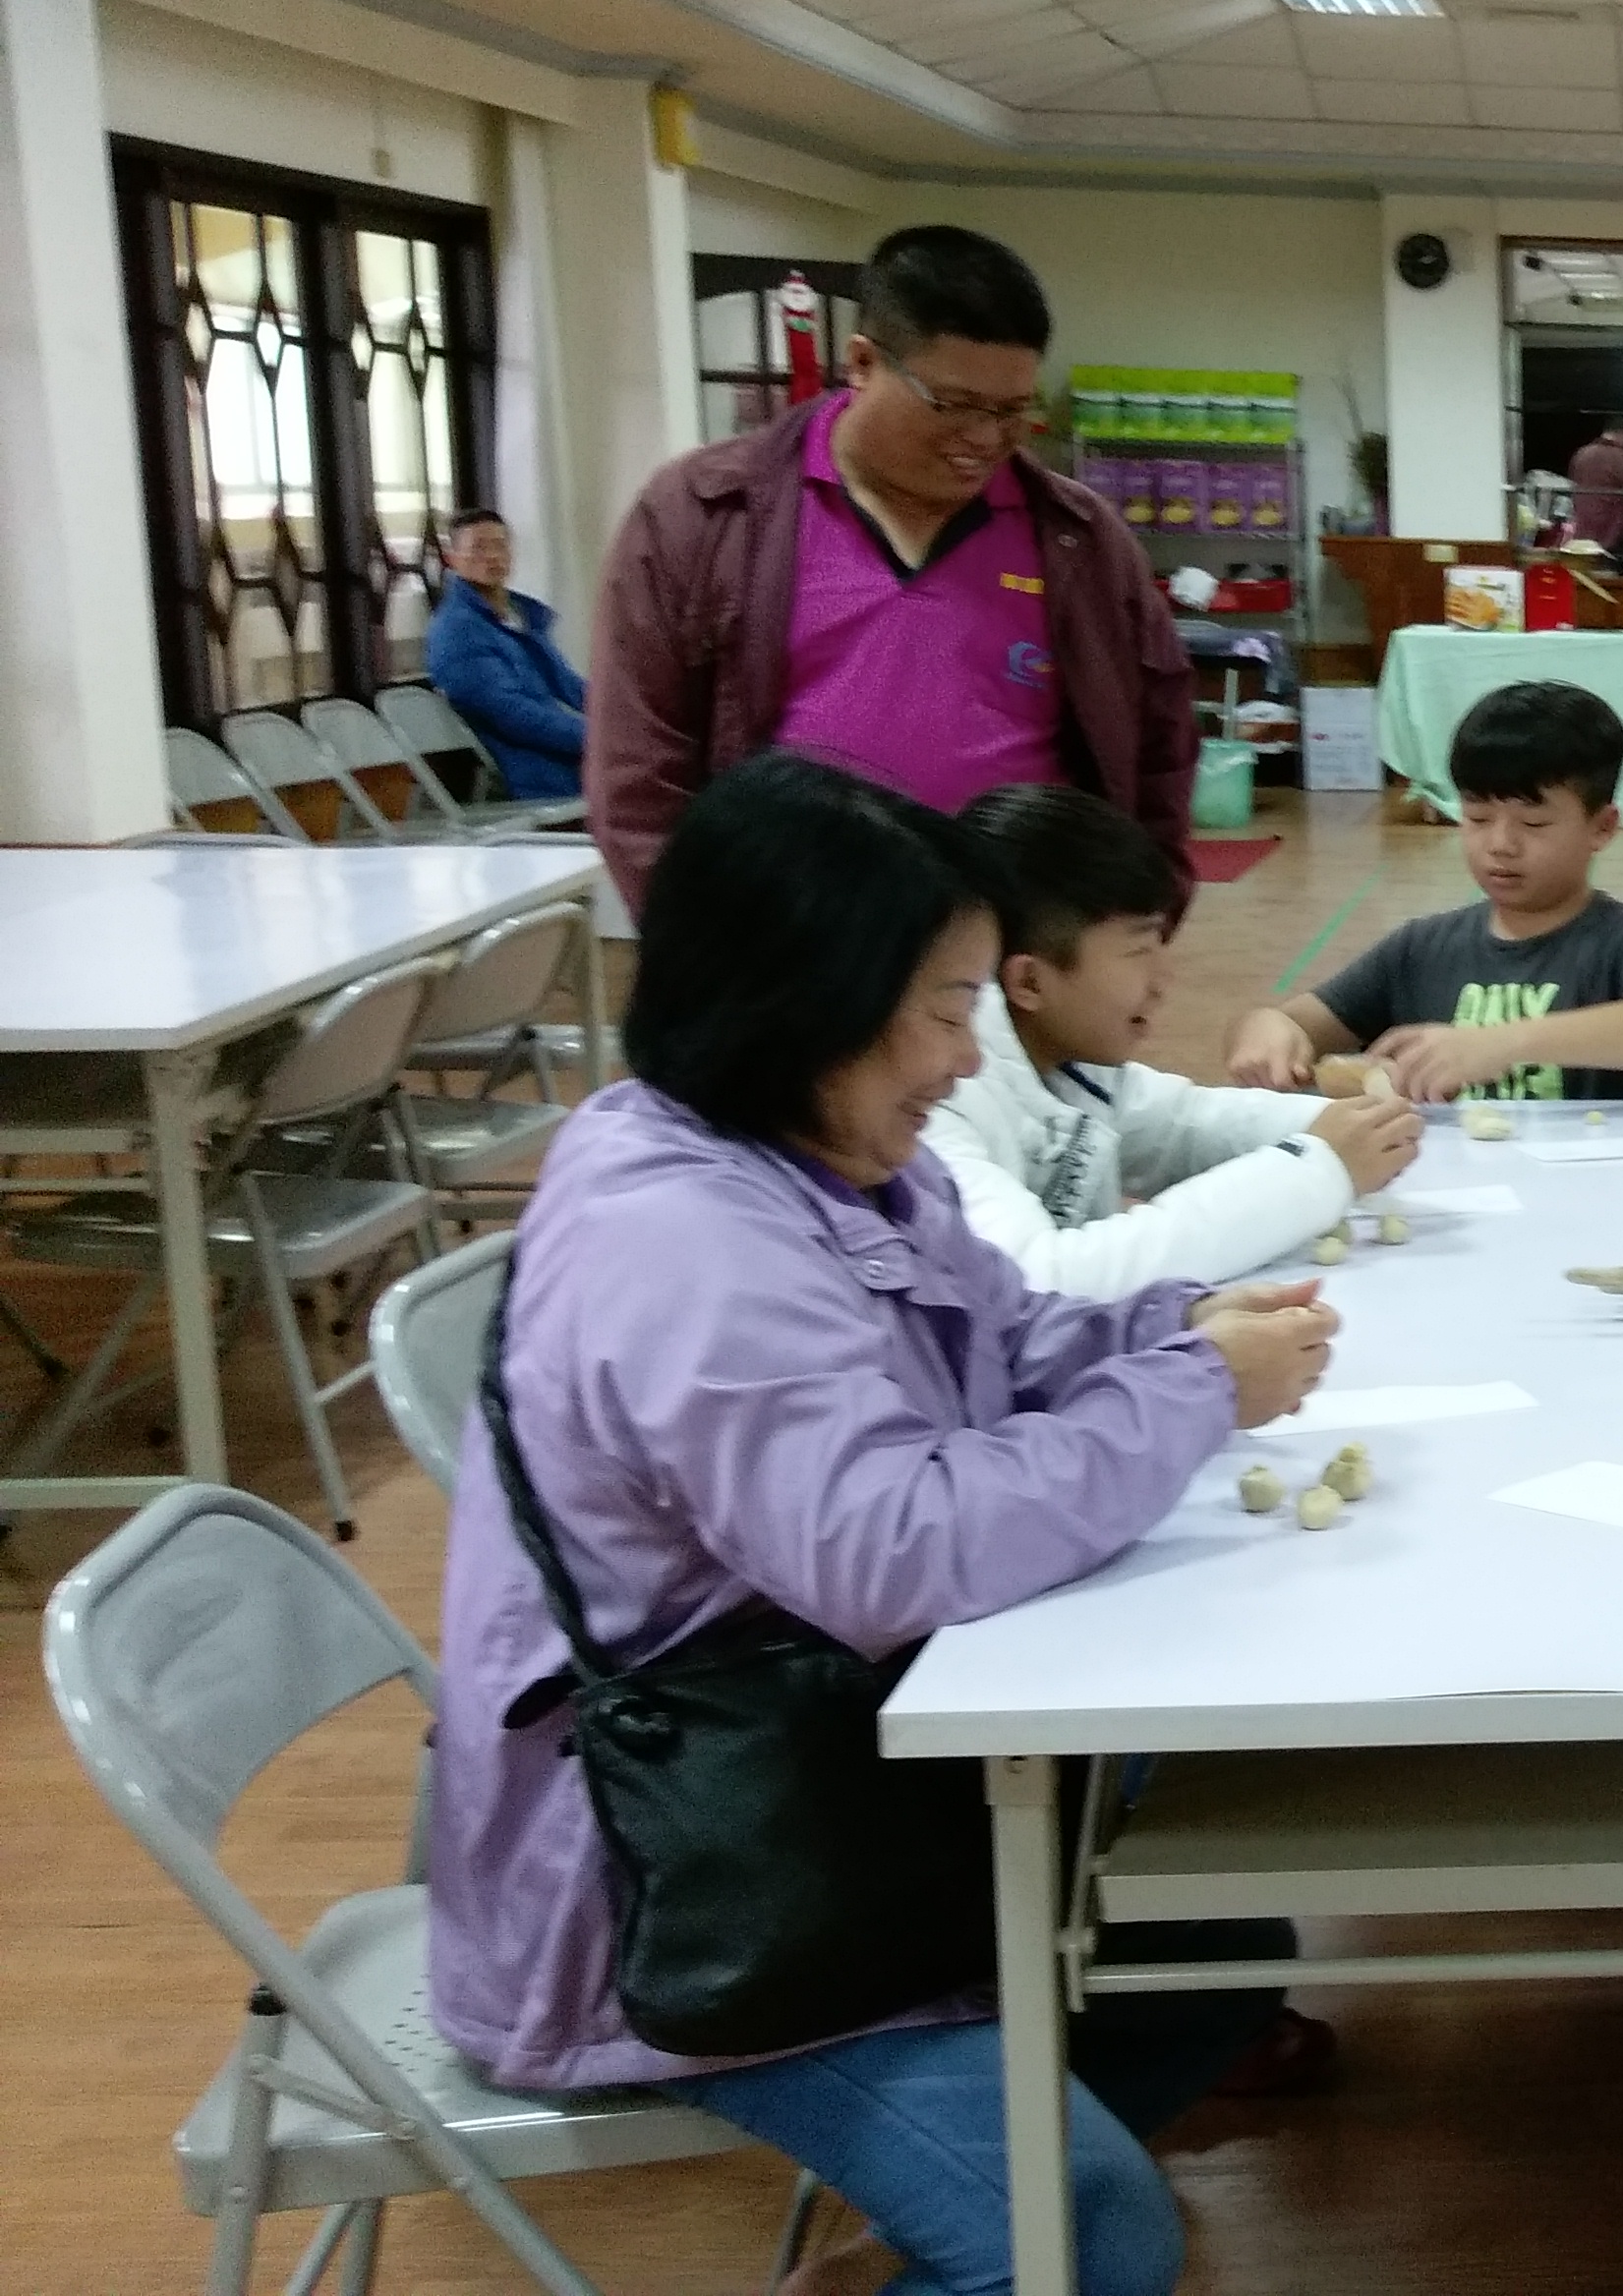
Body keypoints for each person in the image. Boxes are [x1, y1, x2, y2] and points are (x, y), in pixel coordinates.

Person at [425, 755, 1343, 2296]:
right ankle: (1025, 2238)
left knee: (1205, 1944)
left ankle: (960, 2223)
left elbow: (1007, 1333)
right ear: (801, 1002)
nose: (961, 1052)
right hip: (691, 1892)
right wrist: (1189, 1393)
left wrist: (1179, 1331)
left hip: (849, 1776)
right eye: (939, 1006)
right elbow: (893, 1547)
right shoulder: (685, 1238)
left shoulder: (827, 1158)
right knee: (1098, 2237)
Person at [586, 224, 1198, 910]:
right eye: (956, 405)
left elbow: (1162, 739)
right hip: (797, 947)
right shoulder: (704, 516)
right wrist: (717, 957)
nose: (984, 438)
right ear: (862, 362)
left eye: (1011, 412)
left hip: (1025, 948)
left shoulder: (1077, 538)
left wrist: (1141, 915)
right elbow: (638, 772)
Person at [930, 782, 1424, 1298]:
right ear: (1029, 982)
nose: (1165, 979)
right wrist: (1320, 1170)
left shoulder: (1062, 1057)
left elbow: (1182, 1126)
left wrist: (1336, 1127)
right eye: (1140, 949)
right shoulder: (939, 1101)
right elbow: (1044, 1281)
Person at [1227, 679, 1623, 1100]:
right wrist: (1266, 1029)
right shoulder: (1422, 948)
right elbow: (1292, 1024)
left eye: (1533, 823)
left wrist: (1501, 1044)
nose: (1501, 845)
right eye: (1478, 818)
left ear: (1602, 827)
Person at [424, 507, 586, 799]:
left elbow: (569, 685)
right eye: (479, 548)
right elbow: (511, 714)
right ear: (452, 559)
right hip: (530, 771)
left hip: (569, 757)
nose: (492, 556)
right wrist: (598, 737)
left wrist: (624, 718)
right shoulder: (458, 630)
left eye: (500, 545)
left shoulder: (520, 615)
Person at [1566, 418, 1623, 553]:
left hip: (1582, 526)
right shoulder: (1621, 457)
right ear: (1622, 434)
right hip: (1610, 531)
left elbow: (1573, 486)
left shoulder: (1581, 453)